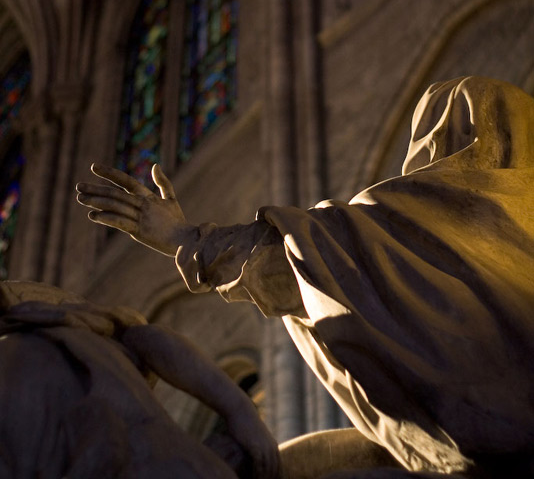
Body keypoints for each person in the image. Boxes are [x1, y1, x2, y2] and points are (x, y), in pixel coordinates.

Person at [77, 76, 534, 477]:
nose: (422, 161)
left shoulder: (410, 226)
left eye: (432, 138)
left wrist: (182, 236)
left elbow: (296, 261)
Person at [0, 280, 279, 478]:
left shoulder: (59, 329)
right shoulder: (68, 326)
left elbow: (147, 340)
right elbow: (148, 339)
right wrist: (240, 412)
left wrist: (239, 411)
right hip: (182, 462)